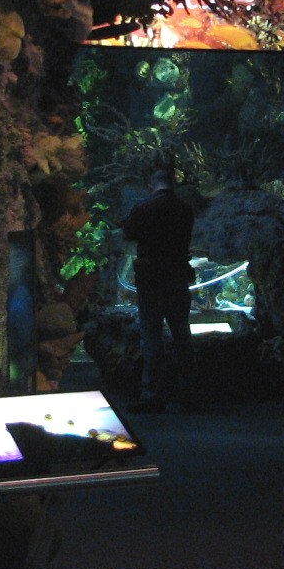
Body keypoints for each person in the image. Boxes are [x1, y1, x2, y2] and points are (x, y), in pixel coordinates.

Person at [121, 168, 195, 411]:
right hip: (177, 275)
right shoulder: (185, 209)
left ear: (151, 184)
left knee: (151, 334)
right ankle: (189, 393)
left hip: (151, 278)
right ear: (172, 184)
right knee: (182, 333)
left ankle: (153, 394)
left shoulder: (144, 208)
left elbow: (128, 233)